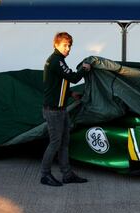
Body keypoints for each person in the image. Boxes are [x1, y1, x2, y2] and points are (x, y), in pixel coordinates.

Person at [40, 32, 91, 186]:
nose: (68, 48)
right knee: (55, 143)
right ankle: (45, 175)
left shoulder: (57, 60)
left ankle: (67, 174)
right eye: (64, 45)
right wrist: (85, 69)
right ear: (56, 45)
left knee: (64, 142)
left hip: (61, 109)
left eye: (69, 46)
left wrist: (70, 93)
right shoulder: (56, 60)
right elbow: (74, 78)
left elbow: (55, 85)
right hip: (54, 110)